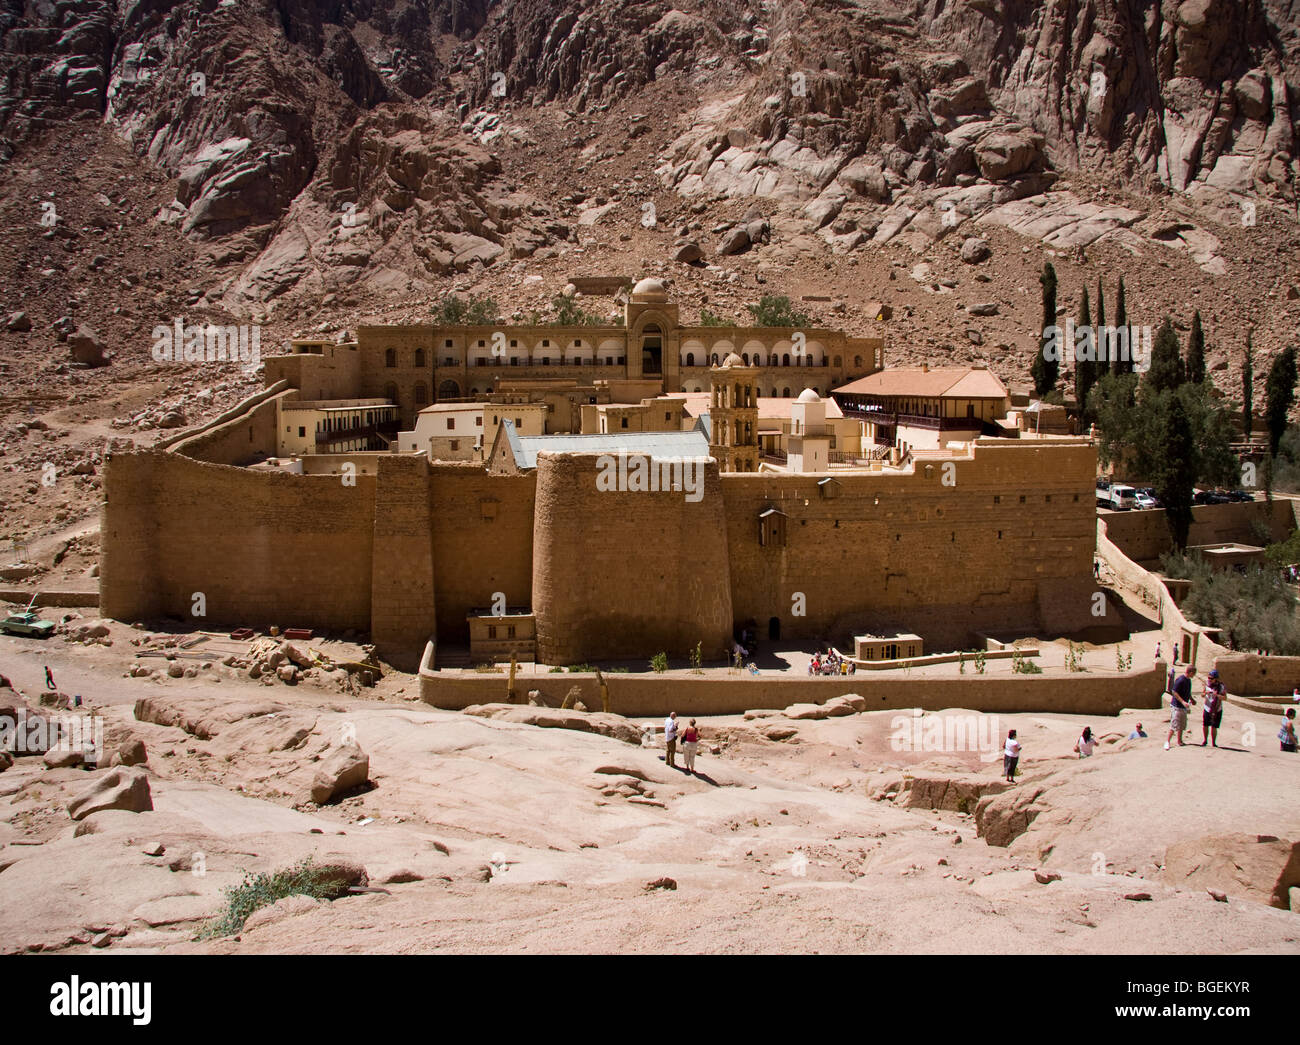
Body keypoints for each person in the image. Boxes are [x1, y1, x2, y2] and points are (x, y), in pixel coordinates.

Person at [1166, 665, 1196, 750]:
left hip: (1184, 706)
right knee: (1174, 724)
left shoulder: (1188, 681)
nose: (1193, 675)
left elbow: (1188, 692)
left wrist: (1192, 699)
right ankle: (1168, 741)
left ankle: (1179, 740)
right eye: (1193, 673)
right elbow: (1174, 692)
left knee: (1182, 724)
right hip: (1177, 706)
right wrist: (1182, 701)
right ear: (1190, 672)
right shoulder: (1180, 680)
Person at [1201, 669, 1224, 747]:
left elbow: (1225, 697)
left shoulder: (1221, 686)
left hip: (1217, 709)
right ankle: (1205, 740)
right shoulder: (1207, 685)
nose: (1209, 679)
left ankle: (1214, 742)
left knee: (1214, 726)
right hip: (1207, 707)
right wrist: (1205, 693)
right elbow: (1202, 694)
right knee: (1205, 724)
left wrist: (1217, 695)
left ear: (1216, 679)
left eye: (1211, 678)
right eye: (1209, 678)